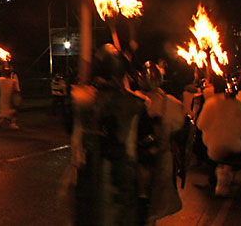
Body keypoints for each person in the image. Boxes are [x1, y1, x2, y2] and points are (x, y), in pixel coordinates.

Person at [64, 44, 147, 225]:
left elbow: (71, 125)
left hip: (94, 175)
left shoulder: (82, 100)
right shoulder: (135, 103)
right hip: (117, 174)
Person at [136, 61, 184, 225]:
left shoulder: (133, 99)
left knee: (148, 202)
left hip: (149, 160)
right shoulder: (172, 104)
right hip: (147, 159)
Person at [196, 80, 241, 197]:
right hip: (234, 145)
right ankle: (225, 177)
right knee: (228, 155)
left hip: (213, 146)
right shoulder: (240, 105)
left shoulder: (210, 103)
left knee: (212, 153)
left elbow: (200, 124)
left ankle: (216, 180)